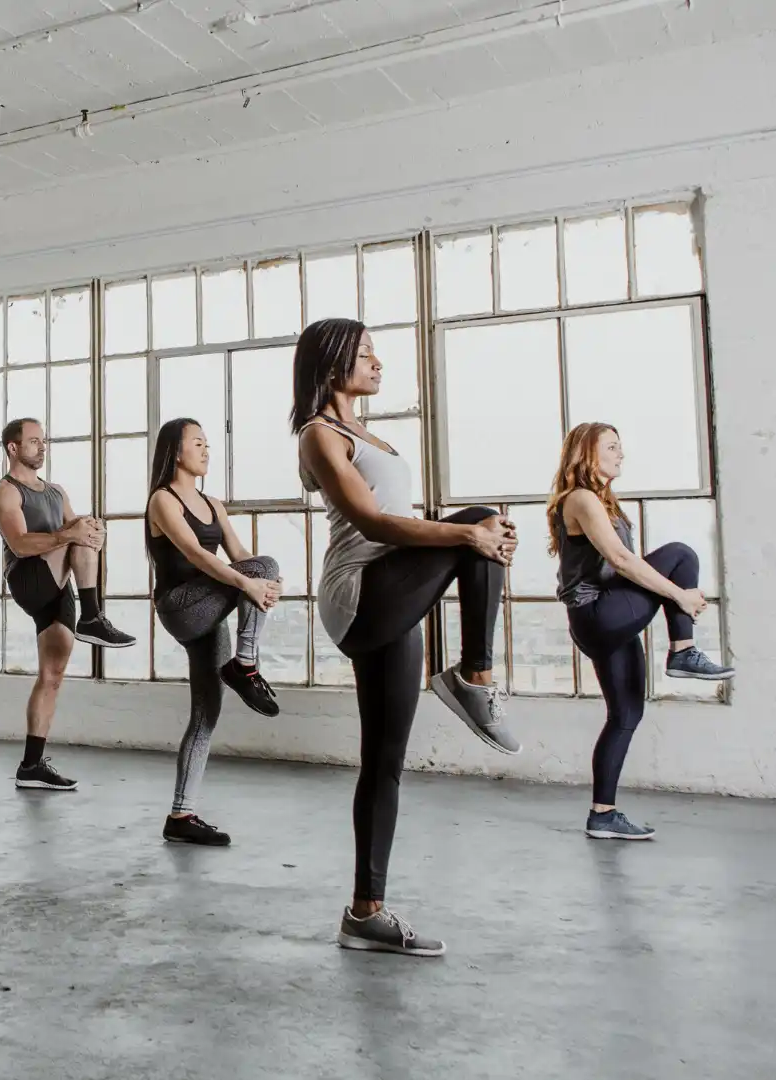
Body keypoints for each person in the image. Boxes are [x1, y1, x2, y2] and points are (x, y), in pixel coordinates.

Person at [292, 318, 518, 959]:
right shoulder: (318, 434)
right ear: (331, 363)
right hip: (358, 591)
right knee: (477, 522)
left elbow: (411, 525)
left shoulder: (373, 436)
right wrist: (469, 535)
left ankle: (365, 913)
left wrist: (479, 544)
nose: (378, 362)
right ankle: (474, 678)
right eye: (364, 353)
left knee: (384, 763)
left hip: (392, 594)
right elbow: (370, 520)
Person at [549, 422, 735, 841]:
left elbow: (621, 566)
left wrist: (674, 597)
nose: (621, 454)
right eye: (612, 447)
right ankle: (684, 650)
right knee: (680, 556)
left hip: (607, 616)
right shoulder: (579, 499)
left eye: (620, 447)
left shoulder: (604, 502)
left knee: (626, 714)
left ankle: (603, 815)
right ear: (588, 453)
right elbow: (622, 559)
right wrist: (681, 598)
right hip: (596, 613)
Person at [145, 418, 283, 847]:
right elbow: (195, 555)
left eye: (208, 444)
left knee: (207, 715)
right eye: (198, 443)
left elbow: (239, 556)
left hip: (208, 609)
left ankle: (180, 816)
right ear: (176, 452)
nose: (207, 450)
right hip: (180, 607)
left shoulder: (213, 504)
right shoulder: (162, 501)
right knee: (260, 570)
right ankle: (245, 666)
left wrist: (264, 589)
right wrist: (251, 582)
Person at [0, 417, 136, 792]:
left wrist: (93, 532)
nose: (42, 447)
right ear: (13, 448)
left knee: (52, 676)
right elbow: (21, 544)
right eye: (34, 441)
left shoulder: (56, 491)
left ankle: (31, 765)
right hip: (29, 578)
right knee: (76, 536)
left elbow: (77, 528)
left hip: (58, 587)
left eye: (44, 441)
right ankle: (92, 617)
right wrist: (73, 534)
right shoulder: (6, 492)